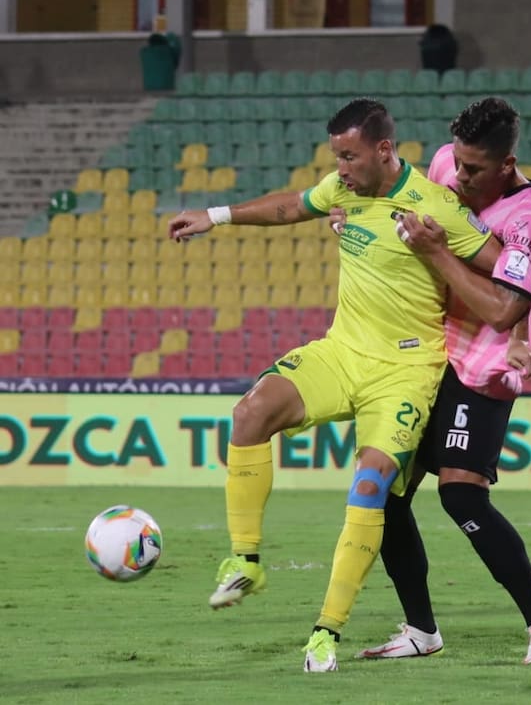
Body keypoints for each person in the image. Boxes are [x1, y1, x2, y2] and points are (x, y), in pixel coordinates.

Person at [167, 98, 500, 673]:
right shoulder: (341, 191)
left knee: (370, 486)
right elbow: (289, 208)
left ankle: (327, 632)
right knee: (250, 413)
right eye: (336, 158)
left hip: (405, 371)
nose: (340, 169)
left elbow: (503, 267)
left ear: (384, 150)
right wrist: (216, 216)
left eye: (349, 157)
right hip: (342, 351)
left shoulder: (436, 206)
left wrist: (449, 262)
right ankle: (245, 561)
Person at [346, 98, 531, 665]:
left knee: (460, 493)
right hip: (427, 355)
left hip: (482, 368)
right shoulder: (445, 162)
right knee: (384, 493)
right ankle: (420, 630)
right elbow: (407, 212)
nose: (460, 177)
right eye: (459, 164)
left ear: (507, 164)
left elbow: (503, 308)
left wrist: (438, 252)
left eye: (475, 170)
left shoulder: (528, 217)